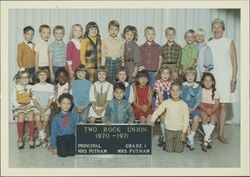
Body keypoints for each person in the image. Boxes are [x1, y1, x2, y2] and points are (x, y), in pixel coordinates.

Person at [207, 18, 238, 144]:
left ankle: (221, 133)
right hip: (213, 78)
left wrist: (234, 80)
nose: (216, 30)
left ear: (223, 29)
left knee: (223, 105)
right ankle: (214, 131)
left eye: (219, 27)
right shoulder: (209, 43)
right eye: (214, 27)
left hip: (225, 78)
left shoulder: (229, 42)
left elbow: (235, 63)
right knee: (214, 106)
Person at [148, 81, 189, 153]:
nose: (175, 92)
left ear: (181, 92)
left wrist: (184, 132)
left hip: (179, 130)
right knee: (169, 151)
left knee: (178, 151)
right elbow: (158, 111)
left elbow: (186, 119)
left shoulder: (183, 104)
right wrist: (152, 120)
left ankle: (178, 143)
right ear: (169, 91)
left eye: (177, 90)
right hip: (168, 130)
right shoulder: (166, 102)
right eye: (173, 90)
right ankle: (167, 144)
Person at [12, 69, 35, 149]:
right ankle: (20, 138)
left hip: (29, 106)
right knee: (21, 117)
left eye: (26, 77)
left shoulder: (31, 88)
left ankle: (31, 137)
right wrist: (19, 106)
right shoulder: (16, 88)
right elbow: (13, 99)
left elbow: (33, 98)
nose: (24, 79)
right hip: (20, 107)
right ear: (19, 79)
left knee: (31, 116)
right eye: (22, 77)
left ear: (29, 79)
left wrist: (30, 105)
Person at [51, 93, 78, 157]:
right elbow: (53, 133)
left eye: (68, 103)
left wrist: (77, 143)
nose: (66, 105)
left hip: (71, 137)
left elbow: (77, 130)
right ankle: (59, 147)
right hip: (61, 138)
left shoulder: (74, 116)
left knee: (72, 153)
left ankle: (69, 147)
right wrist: (54, 147)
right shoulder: (56, 118)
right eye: (63, 103)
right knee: (63, 154)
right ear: (59, 104)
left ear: (71, 105)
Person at [32, 68, 54, 148]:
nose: (42, 76)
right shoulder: (34, 87)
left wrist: (46, 108)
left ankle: (40, 137)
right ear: (37, 76)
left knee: (46, 118)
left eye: (44, 75)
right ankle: (43, 138)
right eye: (40, 75)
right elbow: (34, 100)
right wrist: (39, 108)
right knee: (37, 118)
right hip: (37, 107)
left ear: (47, 76)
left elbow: (51, 99)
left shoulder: (50, 86)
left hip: (46, 107)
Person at [181, 67, 202, 150]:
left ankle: (191, 137)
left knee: (196, 118)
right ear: (185, 76)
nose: (190, 77)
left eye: (192, 75)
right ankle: (190, 139)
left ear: (195, 76)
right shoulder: (183, 85)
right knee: (185, 118)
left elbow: (199, 99)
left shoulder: (198, 87)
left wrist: (194, 108)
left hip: (194, 107)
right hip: (184, 108)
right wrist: (184, 107)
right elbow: (179, 97)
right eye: (188, 75)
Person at [200, 73, 220, 152]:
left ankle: (205, 139)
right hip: (203, 107)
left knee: (213, 118)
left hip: (213, 108)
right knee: (203, 116)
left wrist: (211, 110)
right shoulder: (201, 90)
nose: (207, 82)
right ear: (202, 82)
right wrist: (205, 109)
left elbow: (217, 104)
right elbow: (199, 103)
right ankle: (208, 139)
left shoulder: (215, 91)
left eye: (210, 81)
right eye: (205, 81)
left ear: (213, 82)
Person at [153, 64, 173, 147]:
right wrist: (164, 108)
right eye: (163, 73)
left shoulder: (171, 83)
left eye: (167, 73)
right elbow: (159, 95)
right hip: (160, 105)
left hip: (170, 105)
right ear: (160, 74)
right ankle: (165, 137)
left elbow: (173, 95)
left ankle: (169, 136)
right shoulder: (158, 82)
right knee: (162, 117)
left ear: (170, 75)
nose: (165, 75)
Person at [101, 20, 124, 84]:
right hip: (108, 62)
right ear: (108, 30)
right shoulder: (104, 41)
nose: (113, 31)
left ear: (118, 30)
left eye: (116, 29)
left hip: (118, 62)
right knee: (108, 79)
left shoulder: (121, 41)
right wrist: (102, 66)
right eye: (111, 29)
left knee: (118, 79)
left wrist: (123, 66)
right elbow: (103, 55)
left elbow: (123, 55)